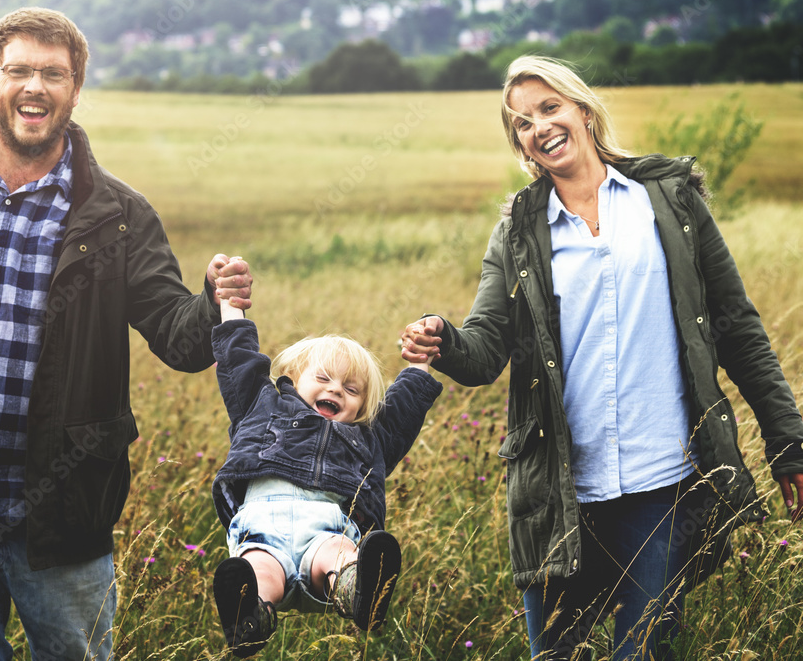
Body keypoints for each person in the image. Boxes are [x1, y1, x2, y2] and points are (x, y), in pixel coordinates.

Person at [0, 7, 252, 660]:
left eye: (53, 73)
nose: (34, 86)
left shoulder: (119, 215)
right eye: (19, 71)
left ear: (75, 89)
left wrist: (211, 302)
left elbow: (179, 339)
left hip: (60, 519)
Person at [401, 55, 803, 660]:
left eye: (548, 108)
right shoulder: (517, 231)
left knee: (643, 653)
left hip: (661, 488)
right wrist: (443, 338)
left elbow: (738, 330)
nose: (537, 126)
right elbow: (485, 351)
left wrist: (788, 440)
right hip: (560, 497)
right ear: (520, 144)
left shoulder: (667, 200)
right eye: (521, 122)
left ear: (582, 110)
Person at [209, 274, 442, 657]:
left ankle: (358, 593)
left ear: (363, 405)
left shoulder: (369, 437)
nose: (336, 390)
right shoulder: (261, 405)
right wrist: (230, 306)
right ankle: (250, 618)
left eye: (352, 390)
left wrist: (419, 364)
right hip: (263, 531)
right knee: (260, 570)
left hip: (327, 531)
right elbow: (239, 362)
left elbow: (402, 413)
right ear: (295, 378)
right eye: (323, 379)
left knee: (339, 552)